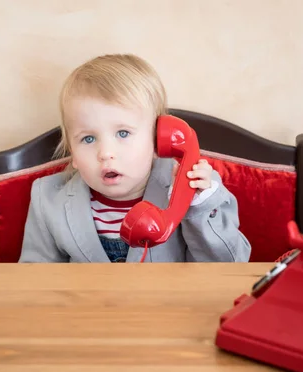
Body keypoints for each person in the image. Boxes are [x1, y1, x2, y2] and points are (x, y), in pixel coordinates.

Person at [18, 53, 251, 263]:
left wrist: (198, 207)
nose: (105, 153)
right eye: (88, 139)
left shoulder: (194, 190)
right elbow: (35, 282)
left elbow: (231, 265)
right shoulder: (47, 199)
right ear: (72, 151)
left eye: (123, 133)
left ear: (159, 139)